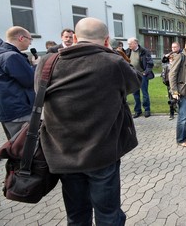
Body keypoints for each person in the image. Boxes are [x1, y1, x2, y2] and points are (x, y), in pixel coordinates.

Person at [36, 17, 141, 225]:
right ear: (106, 40)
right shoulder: (113, 62)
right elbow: (135, 82)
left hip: (63, 153)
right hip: (101, 153)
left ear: (74, 38)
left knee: (76, 216)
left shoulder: (47, 62)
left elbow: (38, 94)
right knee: (108, 215)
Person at [0, 26, 35, 140]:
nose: (30, 43)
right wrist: (35, 66)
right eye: (30, 39)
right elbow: (30, 80)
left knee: (14, 145)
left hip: (7, 110)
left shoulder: (2, 54)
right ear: (21, 38)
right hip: (20, 110)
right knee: (24, 147)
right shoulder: (11, 56)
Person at [126, 37, 154, 118]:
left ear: (136, 43)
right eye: (128, 44)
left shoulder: (144, 51)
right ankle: (137, 111)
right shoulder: (128, 51)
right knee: (135, 94)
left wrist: (145, 72)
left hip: (142, 75)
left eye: (130, 44)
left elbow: (150, 63)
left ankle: (147, 110)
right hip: (133, 75)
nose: (129, 45)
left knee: (144, 93)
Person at [161, 53, 177, 120]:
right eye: (170, 58)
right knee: (171, 99)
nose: (171, 60)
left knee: (177, 98)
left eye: (172, 59)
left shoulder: (177, 66)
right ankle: (171, 113)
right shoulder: (167, 66)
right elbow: (164, 76)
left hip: (177, 85)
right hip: (169, 85)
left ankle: (177, 109)